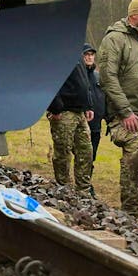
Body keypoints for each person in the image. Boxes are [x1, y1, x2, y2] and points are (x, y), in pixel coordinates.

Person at [97, 0, 138, 215]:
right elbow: (108, 77)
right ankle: (130, 212)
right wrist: (125, 111)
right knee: (136, 157)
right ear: (134, 14)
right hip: (126, 113)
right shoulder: (115, 39)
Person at [46, 48, 96, 194]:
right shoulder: (56, 52)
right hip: (64, 112)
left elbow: (84, 82)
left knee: (86, 151)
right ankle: (64, 189)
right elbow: (48, 80)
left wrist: (88, 105)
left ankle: (83, 190)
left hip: (80, 112)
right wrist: (55, 108)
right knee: (63, 151)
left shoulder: (76, 52)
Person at [82, 43, 106, 161]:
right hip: (80, 123)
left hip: (96, 124)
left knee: (92, 156)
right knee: (81, 156)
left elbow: (104, 97)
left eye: (92, 55)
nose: (90, 57)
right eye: (86, 54)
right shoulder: (76, 75)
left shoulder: (98, 77)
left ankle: (87, 178)